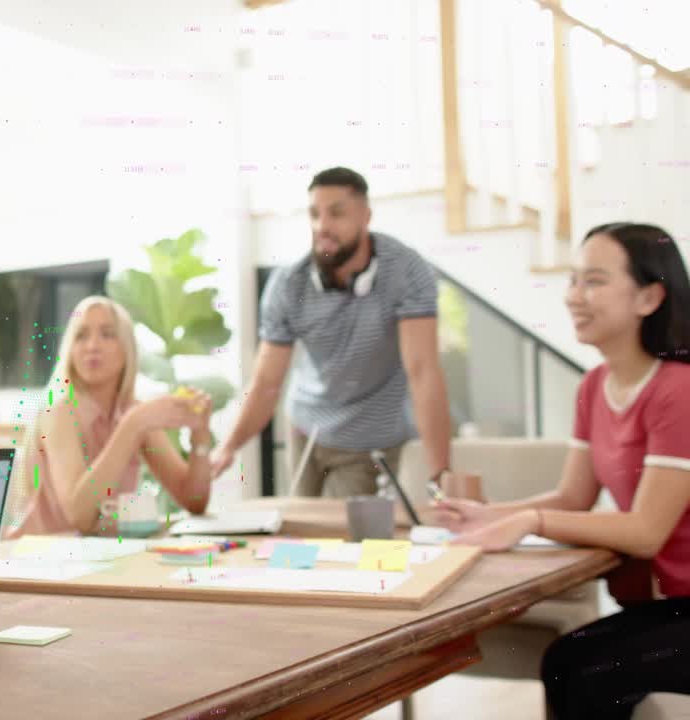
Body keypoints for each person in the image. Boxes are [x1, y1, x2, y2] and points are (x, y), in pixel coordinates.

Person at [433, 223, 690, 720]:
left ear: (649, 297)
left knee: (589, 670)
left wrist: (530, 522)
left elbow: (645, 531)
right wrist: (486, 516)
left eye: (593, 281)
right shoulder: (595, 386)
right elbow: (574, 495)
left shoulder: (678, 390)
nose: (573, 296)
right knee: (564, 661)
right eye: (572, 280)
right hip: (665, 607)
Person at [209, 167, 458, 497]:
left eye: (337, 213)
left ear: (366, 216)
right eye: (315, 214)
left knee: (349, 535)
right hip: (305, 427)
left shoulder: (407, 272)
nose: (322, 226)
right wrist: (228, 447)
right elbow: (266, 383)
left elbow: (423, 372)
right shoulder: (289, 284)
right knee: (302, 532)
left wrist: (440, 473)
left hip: (368, 438)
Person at [4, 296, 213, 537]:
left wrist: (200, 434)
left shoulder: (131, 412)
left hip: (96, 558)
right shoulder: (59, 412)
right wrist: (132, 427)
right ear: (70, 350)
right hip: (37, 560)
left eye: (107, 334)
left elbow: (194, 500)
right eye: (81, 336)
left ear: (127, 349)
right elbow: (80, 516)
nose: (92, 345)